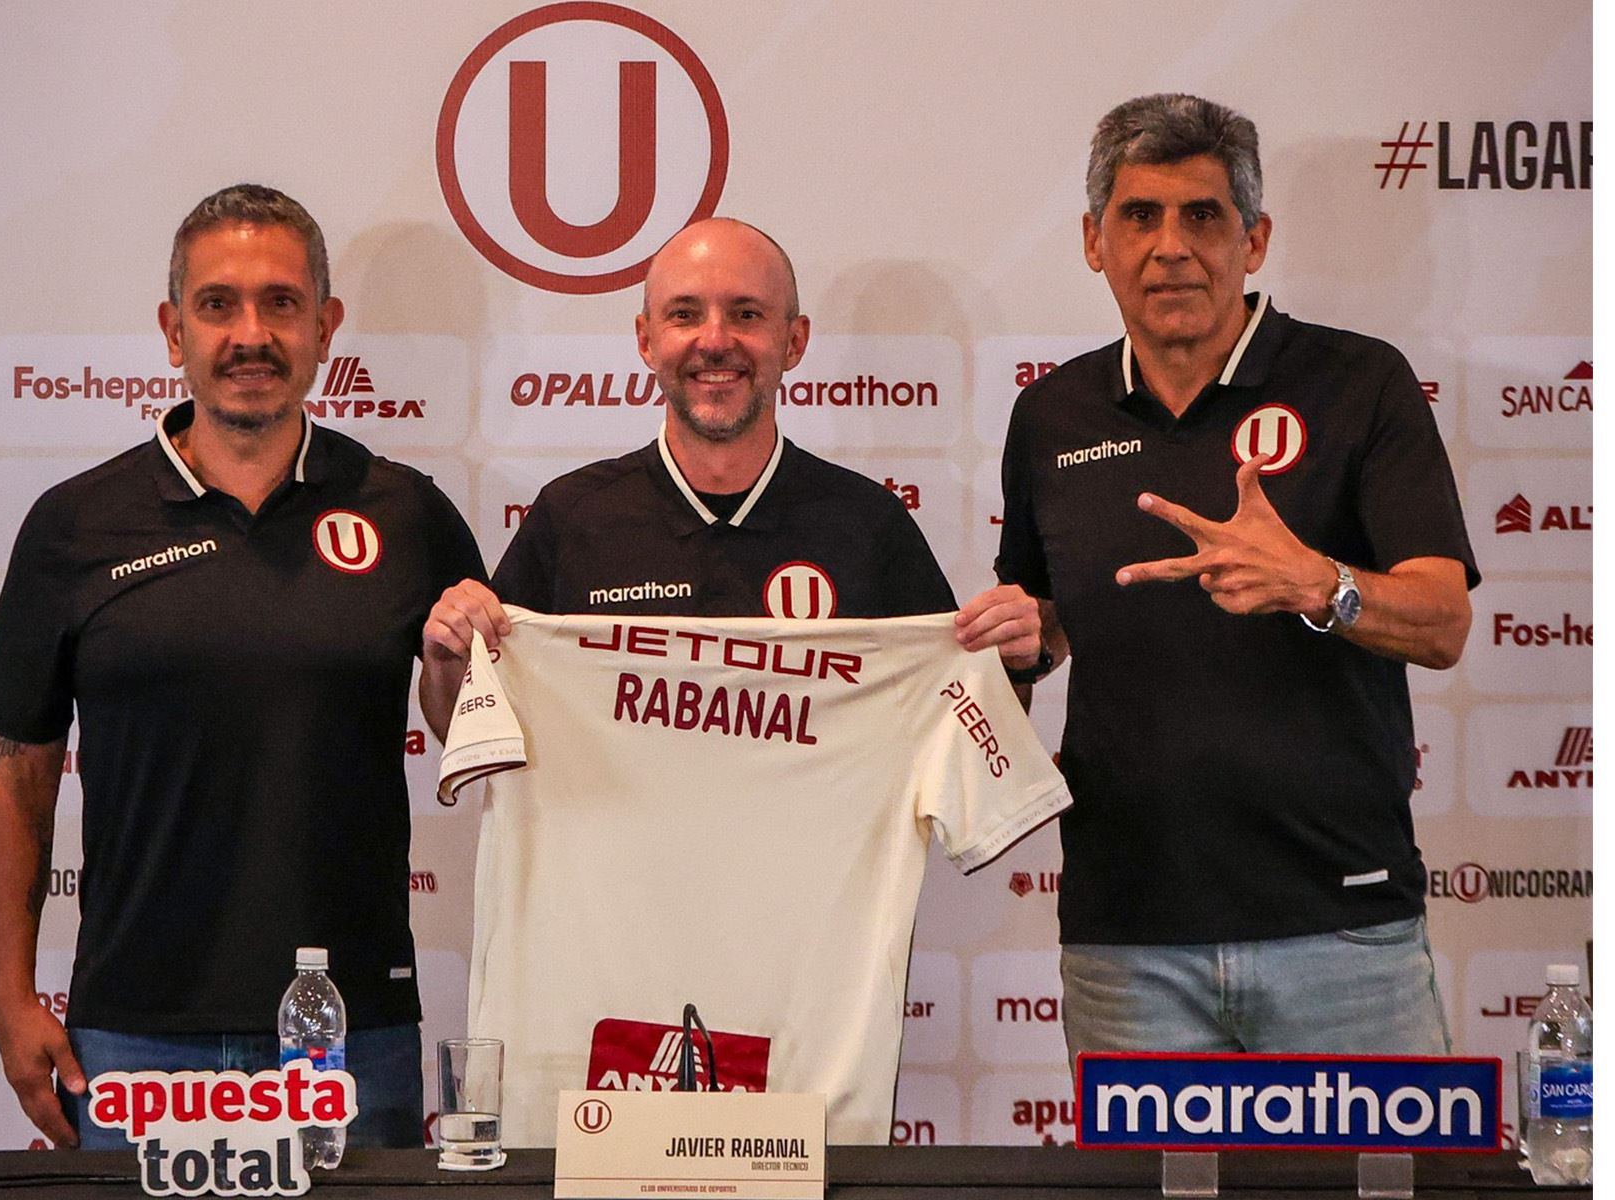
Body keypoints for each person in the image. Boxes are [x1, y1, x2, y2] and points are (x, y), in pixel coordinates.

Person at [0, 184, 485, 1149]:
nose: (251, 333)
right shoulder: (73, 524)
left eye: (281, 303)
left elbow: (472, 734)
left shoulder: (408, 515)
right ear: (174, 331)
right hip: (130, 1035)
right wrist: (9, 998)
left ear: (326, 326)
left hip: (349, 1032)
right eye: (218, 305)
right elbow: (18, 767)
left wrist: (459, 666)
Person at [995, 94, 1477, 1058]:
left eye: (1202, 216)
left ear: (1253, 240)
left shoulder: (1361, 382)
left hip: (1343, 933)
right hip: (1126, 940)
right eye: (1140, 217)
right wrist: (1026, 640)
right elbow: (1046, 618)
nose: (1171, 247)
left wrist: (1320, 584)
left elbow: (1443, 621)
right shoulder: (1051, 416)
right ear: (1095, 242)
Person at [417, 217, 1041, 730]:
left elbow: (961, 733)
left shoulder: (869, 524)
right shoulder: (572, 516)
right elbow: (466, 728)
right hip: (611, 885)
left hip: (818, 884)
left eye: (746, 314)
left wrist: (1008, 665)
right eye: (685, 314)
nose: (715, 341)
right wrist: (448, 661)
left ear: (794, 342)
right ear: (646, 339)